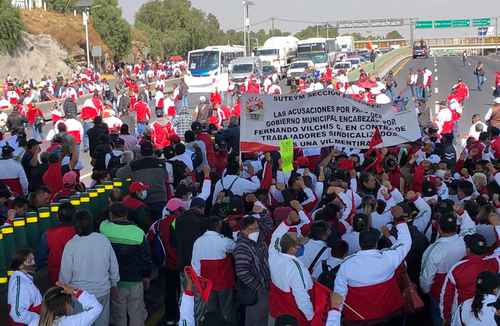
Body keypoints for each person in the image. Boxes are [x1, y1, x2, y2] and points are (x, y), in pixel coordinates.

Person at [334, 206, 412, 324]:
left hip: (360, 319)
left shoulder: (346, 265)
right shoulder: (388, 258)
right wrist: (400, 219)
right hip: (389, 315)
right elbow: (405, 242)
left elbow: (339, 294)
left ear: (360, 244)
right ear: (376, 243)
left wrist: (335, 319)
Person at [59, 210, 120, 326]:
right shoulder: (103, 240)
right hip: (102, 292)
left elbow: (65, 274)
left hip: (79, 295)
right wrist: (114, 283)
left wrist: (64, 290)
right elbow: (113, 265)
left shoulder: (71, 245)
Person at [100, 203, 152, 326]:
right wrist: (146, 276)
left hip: (115, 282)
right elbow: (146, 258)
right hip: (135, 280)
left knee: (119, 316)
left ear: (111, 215)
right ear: (126, 215)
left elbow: (102, 220)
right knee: (136, 313)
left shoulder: (104, 228)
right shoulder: (138, 232)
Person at [420, 213, 467, 326]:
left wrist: (425, 291)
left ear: (439, 229)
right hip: (460, 289)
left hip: (439, 293)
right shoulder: (464, 242)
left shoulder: (434, 250)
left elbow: (426, 278)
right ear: (456, 227)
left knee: (439, 317)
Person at [440, 233, 497, 323]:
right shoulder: (495, 263)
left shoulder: (457, 268)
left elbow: (446, 296)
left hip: (463, 316)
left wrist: (445, 317)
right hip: (490, 314)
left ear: (468, 249)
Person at [233, 206, 273, 326]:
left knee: (263, 317)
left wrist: (262, 213)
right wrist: (258, 287)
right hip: (255, 291)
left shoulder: (258, 239)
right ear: (244, 231)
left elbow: (269, 225)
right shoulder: (242, 247)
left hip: (266, 286)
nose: (256, 231)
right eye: (253, 229)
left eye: (257, 228)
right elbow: (242, 272)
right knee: (256, 319)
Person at [268, 233, 314, 326]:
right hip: (292, 315)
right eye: (299, 244)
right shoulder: (295, 268)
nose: (301, 246)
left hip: (278, 309)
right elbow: (302, 297)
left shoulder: (273, 256)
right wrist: (311, 317)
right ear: (292, 248)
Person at [35, 202, 76, 285]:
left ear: (58, 216)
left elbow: (40, 259)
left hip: (56, 278)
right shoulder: (80, 231)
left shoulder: (48, 234)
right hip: (79, 278)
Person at [28, 282, 103, 326]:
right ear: (66, 305)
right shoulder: (72, 322)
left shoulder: (34, 323)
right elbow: (96, 307)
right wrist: (74, 291)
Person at [127, 141, 167, 221]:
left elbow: (119, 174)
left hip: (141, 200)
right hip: (160, 199)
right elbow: (166, 177)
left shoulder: (133, 165)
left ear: (141, 152)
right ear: (152, 151)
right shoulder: (162, 164)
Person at [8, 249, 42, 325]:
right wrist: (37, 319)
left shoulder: (21, 277)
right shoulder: (21, 285)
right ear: (20, 265)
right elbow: (17, 314)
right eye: (30, 261)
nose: (34, 263)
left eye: (33, 259)